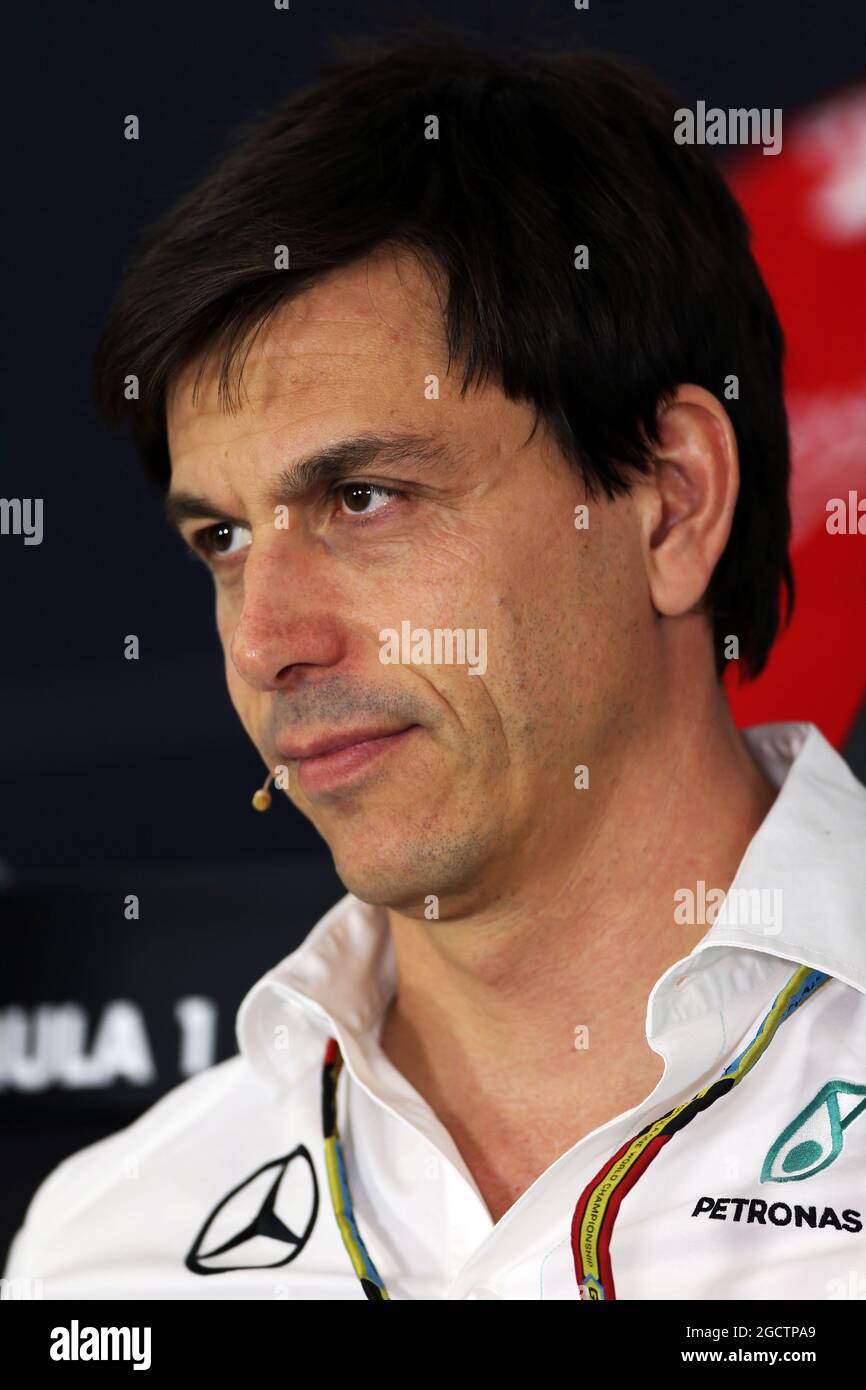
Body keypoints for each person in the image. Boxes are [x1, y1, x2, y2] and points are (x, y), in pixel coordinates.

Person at [6, 35, 866, 1301]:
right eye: (224, 539)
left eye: (362, 497)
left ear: (669, 504)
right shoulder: (105, 1249)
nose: (265, 640)